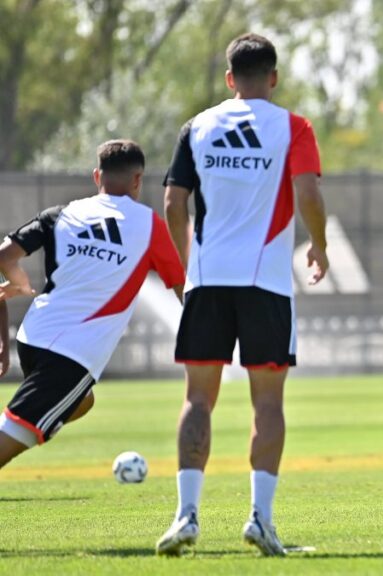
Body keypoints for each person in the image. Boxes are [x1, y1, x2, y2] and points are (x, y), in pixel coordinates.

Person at [156, 33, 329, 557]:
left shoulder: (198, 126)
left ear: (229, 78)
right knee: (268, 402)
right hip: (266, 283)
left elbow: (172, 202)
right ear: (272, 77)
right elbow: (308, 192)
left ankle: (186, 516)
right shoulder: (292, 126)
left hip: (207, 281)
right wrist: (320, 247)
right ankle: (260, 520)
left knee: (198, 399)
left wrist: (193, 268)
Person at [0, 140, 184, 469]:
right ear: (138, 180)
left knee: (82, 401)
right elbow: (182, 287)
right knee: (19, 431)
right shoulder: (150, 226)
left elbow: (5, 256)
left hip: (32, 337)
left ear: (97, 175)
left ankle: (39, 418)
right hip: (70, 354)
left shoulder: (62, 213)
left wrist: (19, 281)